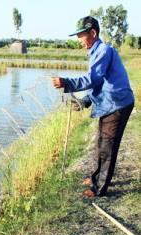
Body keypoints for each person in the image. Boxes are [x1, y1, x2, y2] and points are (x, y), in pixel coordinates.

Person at [52, 16, 135, 198]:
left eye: (81, 35)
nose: (79, 40)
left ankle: (98, 189)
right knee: (100, 143)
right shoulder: (97, 52)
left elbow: (93, 79)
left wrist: (66, 82)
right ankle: (96, 177)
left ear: (93, 33)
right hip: (109, 101)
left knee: (107, 146)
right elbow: (101, 84)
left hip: (117, 103)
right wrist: (85, 100)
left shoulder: (103, 51)